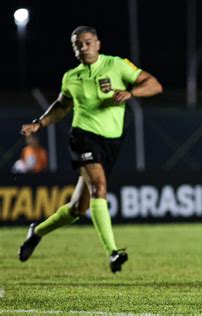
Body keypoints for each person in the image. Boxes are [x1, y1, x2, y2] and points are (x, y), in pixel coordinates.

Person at [18, 26, 163, 273]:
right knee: (100, 187)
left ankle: (37, 231)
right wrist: (39, 123)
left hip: (111, 142)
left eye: (87, 42)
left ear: (97, 43)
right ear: (74, 49)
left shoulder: (116, 65)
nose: (83, 48)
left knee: (77, 208)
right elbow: (62, 106)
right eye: (78, 44)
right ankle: (113, 252)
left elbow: (155, 85)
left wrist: (131, 92)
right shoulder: (71, 77)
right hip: (83, 137)